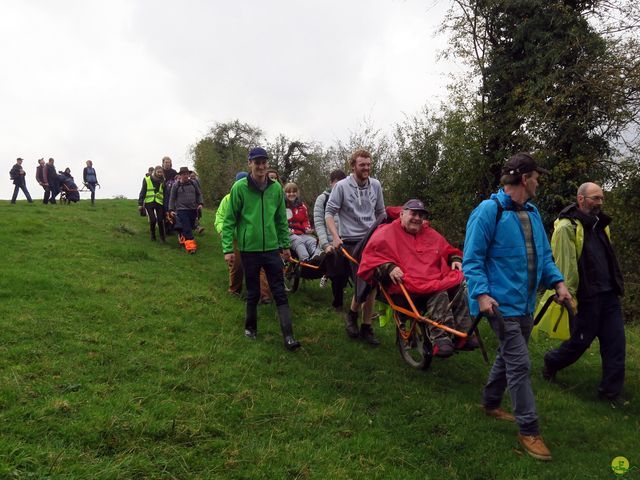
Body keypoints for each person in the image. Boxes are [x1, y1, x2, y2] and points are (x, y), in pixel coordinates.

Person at [463, 152, 572, 461]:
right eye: (536, 176)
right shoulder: (488, 211)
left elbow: (544, 257)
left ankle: (490, 403)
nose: (539, 181)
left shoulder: (533, 213)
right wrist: (482, 295)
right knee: (520, 363)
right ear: (525, 179)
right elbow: (471, 259)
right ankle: (529, 429)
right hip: (499, 305)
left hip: (525, 303)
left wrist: (558, 283)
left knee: (508, 356)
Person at [358, 199, 479, 357]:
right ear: (401, 214)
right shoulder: (386, 233)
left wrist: (455, 259)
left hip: (429, 279)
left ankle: (462, 335)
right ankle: (440, 338)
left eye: (421, 215)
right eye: (413, 213)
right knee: (439, 292)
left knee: (459, 288)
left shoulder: (429, 233)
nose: (417, 218)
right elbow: (371, 259)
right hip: (405, 288)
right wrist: (389, 267)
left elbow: (447, 249)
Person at [540, 182, 625, 401]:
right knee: (579, 343)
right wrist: (568, 294)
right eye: (595, 198)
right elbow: (564, 263)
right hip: (587, 297)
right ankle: (552, 361)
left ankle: (609, 394)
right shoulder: (567, 226)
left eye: (602, 199)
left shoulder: (601, 225)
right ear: (581, 199)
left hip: (608, 294)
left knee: (616, 343)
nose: (600, 203)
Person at [222, 147, 301, 351]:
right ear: (250, 164)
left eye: (264, 162)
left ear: (267, 164)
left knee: (279, 292)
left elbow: (281, 220)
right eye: (256, 162)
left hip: (272, 249)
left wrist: (285, 246)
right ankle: (250, 328)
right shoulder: (239, 188)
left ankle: (289, 336)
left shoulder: (276, 189)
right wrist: (228, 249)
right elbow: (230, 220)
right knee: (254, 291)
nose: (261, 166)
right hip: (249, 249)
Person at [325, 149, 386, 345]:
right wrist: (335, 237)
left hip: (372, 239)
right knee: (364, 280)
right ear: (353, 166)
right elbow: (329, 212)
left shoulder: (375, 185)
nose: (366, 168)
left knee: (374, 282)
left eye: (369, 164)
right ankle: (352, 315)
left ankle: (365, 326)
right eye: (362, 165)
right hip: (351, 240)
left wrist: (384, 235)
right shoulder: (342, 186)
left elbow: (381, 213)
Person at [215, 171, 272, 303]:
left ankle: (265, 296)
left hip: (253, 237)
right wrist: (223, 231)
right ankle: (234, 290)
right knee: (237, 265)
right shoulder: (228, 199)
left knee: (261, 267)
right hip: (235, 237)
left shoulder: (255, 196)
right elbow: (220, 218)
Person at [314, 169, 348, 310]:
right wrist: (325, 244)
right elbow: (319, 223)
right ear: (331, 183)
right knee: (337, 266)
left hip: (345, 239)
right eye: (336, 183)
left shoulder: (347, 197)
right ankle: (337, 303)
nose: (339, 187)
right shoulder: (322, 199)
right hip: (328, 241)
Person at [168, 167, 203, 253]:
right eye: (183, 174)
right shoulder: (176, 185)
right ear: (180, 175)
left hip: (193, 209)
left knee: (190, 226)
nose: (186, 176)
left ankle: (182, 235)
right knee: (187, 227)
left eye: (187, 174)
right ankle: (191, 248)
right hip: (181, 209)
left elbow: (199, 194)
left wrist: (200, 203)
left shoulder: (193, 183)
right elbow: (172, 198)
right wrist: (171, 209)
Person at [284, 182, 321, 262]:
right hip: (288, 234)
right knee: (298, 241)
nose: (291, 194)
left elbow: (305, 220)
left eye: (294, 192)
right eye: (289, 192)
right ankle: (305, 260)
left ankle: (316, 257)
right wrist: (286, 230)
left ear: (297, 193)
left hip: (301, 233)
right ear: (285, 193)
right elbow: (280, 222)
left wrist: (307, 228)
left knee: (312, 240)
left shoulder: (302, 206)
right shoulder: (282, 206)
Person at [138, 166, 166, 242]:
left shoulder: (163, 181)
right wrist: (140, 203)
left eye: (161, 172)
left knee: (160, 220)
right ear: (155, 172)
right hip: (149, 202)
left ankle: (162, 238)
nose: (160, 174)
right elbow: (143, 191)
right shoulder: (147, 179)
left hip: (159, 202)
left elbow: (165, 193)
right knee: (153, 220)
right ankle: (152, 235)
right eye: (158, 172)